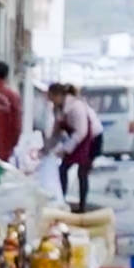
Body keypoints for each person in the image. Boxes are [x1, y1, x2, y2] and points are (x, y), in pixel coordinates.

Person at [45, 83, 101, 211]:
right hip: (77, 139)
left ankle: (82, 206)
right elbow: (56, 132)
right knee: (63, 169)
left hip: (90, 139)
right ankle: (61, 200)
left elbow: (82, 131)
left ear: (59, 95)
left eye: (51, 97)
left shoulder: (76, 107)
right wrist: (48, 148)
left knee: (82, 172)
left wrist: (65, 148)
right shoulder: (58, 109)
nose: (50, 101)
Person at [0, 60, 21, 160]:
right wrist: (13, 143)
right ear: (6, 76)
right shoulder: (13, 97)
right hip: (4, 148)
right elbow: (17, 125)